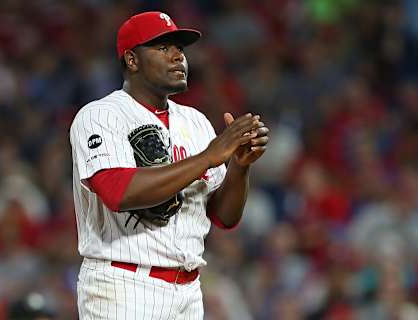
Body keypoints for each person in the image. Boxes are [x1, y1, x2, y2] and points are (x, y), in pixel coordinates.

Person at [69, 11, 269, 319]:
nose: (178, 56)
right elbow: (118, 192)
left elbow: (224, 217)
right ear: (132, 60)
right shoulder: (100, 116)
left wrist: (240, 167)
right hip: (123, 286)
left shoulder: (195, 122)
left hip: (188, 290)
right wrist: (207, 157)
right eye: (163, 47)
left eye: (180, 48)